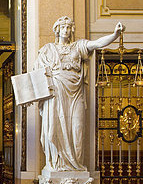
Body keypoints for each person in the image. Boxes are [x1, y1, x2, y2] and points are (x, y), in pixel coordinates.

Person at [34, 16, 124, 172]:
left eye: (69, 27)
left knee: (77, 128)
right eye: (63, 27)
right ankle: (57, 165)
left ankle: (75, 166)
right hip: (56, 92)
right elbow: (36, 75)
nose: (66, 30)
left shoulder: (78, 46)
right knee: (54, 128)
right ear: (57, 30)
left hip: (75, 93)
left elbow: (96, 44)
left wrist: (115, 34)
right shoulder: (48, 49)